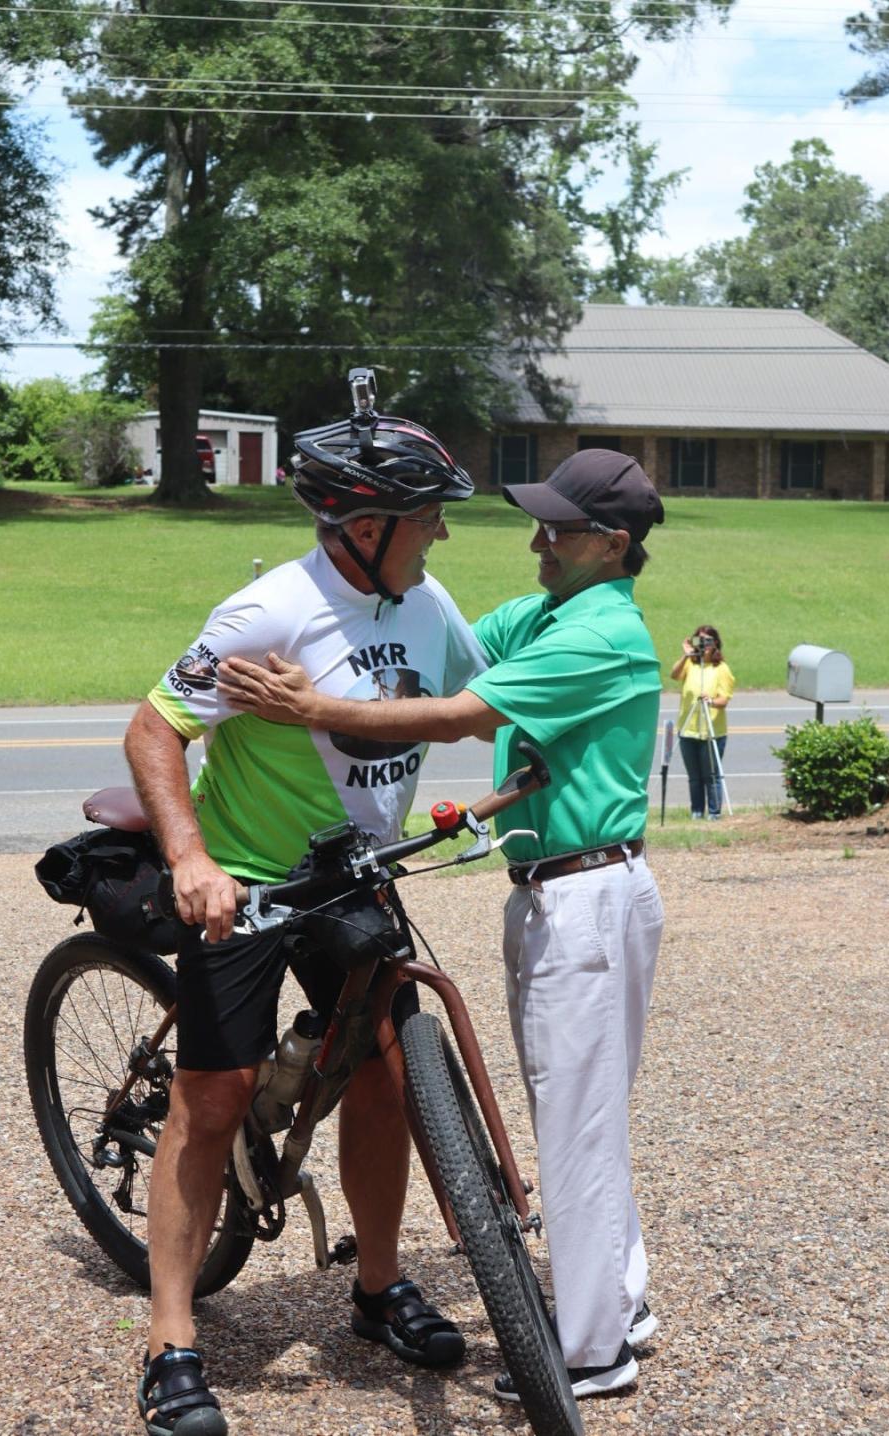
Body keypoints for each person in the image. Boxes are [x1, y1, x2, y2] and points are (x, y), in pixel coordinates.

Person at [218, 447, 667, 1403]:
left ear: (612, 544)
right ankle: (618, 1302)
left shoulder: (600, 632)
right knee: (587, 1111)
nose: (537, 540)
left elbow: (461, 713)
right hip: (573, 888)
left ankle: (590, 1352)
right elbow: (435, 634)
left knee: (575, 1125)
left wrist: (314, 706)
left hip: (583, 895)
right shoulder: (553, 612)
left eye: (559, 528)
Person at [124, 373, 487, 1436]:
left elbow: (475, 698)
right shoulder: (272, 607)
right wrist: (191, 857)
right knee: (215, 1096)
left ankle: (376, 1285)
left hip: (354, 877)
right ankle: (172, 1336)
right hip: (251, 880)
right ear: (366, 524)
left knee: (381, 1078)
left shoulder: (427, 602)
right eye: (428, 520)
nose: (441, 537)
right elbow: (154, 730)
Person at [669, 625, 735, 819]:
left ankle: (714, 813)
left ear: (715, 644)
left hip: (711, 730)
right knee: (694, 778)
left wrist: (712, 701)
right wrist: (686, 655)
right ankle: (696, 812)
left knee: (712, 775)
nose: (704, 645)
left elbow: (725, 699)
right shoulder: (691, 664)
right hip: (688, 729)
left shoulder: (721, 669)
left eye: (708, 641)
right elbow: (674, 675)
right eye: (700, 640)